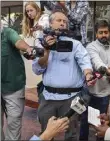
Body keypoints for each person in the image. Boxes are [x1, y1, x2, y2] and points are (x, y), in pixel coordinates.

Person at [32, 10, 95, 141]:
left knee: (71, 134)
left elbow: (85, 61)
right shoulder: (41, 44)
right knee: (46, 133)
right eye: (59, 21)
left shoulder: (75, 44)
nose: (62, 24)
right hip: (48, 97)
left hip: (72, 98)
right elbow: (37, 69)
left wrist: (88, 75)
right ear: (50, 23)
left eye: (65, 22)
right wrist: (47, 50)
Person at [79, 20, 110, 141]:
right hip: (89, 94)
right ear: (96, 34)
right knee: (85, 124)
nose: (103, 35)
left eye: (106, 32)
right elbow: (97, 63)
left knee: (101, 126)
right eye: (100, 32)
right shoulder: (91, 47)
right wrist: (107, 70)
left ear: (109, 33)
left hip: (105, 95)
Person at [1, 26, 33, 140]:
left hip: (13, 86)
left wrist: (28, 49)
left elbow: (18, 42)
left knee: (14, 122)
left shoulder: (8, 32)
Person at [22, 1, 49, 88]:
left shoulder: (44, 17)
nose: (29, 13)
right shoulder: (33, 22)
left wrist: (40, 27)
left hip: (48, 53)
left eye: (31, 10)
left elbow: (46, 25)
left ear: (37, 9)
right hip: (41, 53)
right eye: (27, 11)